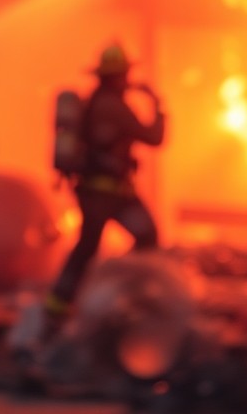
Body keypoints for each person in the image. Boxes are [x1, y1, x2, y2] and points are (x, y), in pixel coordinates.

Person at [44, 42, 165, 333]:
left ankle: (57, 307)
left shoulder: (94, 102)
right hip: (110, 194)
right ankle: (127, 299)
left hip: (98, 191)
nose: (128, 80)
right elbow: (154, 137)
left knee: (86, 248)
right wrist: (158, 105)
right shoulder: (114, 107)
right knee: (146, 236)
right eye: (124, 75)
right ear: (116, 77)